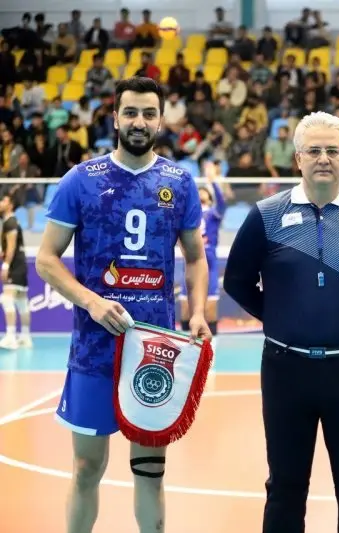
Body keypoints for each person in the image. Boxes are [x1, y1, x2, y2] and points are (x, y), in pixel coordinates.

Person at [35, 77, 212, 533]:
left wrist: (196, 312)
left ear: (161, 120)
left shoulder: (179, 182)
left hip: (153, 352)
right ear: (115, 118)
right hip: (94, 350)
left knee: (150, 471)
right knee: (86, 468)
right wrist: (92, 302)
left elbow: (195, 257)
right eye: (130, 112)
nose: (139, 121)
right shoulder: (81, 180)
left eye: (149, 113)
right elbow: (46, 260)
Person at [222, 111, 339, 533]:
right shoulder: (266, 214)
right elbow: (236, 280)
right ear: (298, 158)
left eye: (332, 150)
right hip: (285, 371)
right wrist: (279, 318)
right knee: (285, 488)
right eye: (313, 151)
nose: (323, 158)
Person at [179, 160, 231, 346]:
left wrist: (213, 181)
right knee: (185, 307)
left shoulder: (213, 213)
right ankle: (185, 345)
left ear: (208, 199)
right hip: (191, 261)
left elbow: (222, 203)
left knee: (210, 309)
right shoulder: (190, 213)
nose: (201, 195)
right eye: (198, 193)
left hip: (210, 262)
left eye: (204, 194)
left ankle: (211, 349)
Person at [0, 190, 32, 349]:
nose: (0, 203)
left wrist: (5, 265)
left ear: (10, 205)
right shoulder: (12, 221)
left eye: (3, 201)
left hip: (15, 266)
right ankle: (25, 337)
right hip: (21, 265)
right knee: (21, 302)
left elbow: (11, 247)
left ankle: (11, 337)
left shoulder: (10, 222)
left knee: (7, 299)